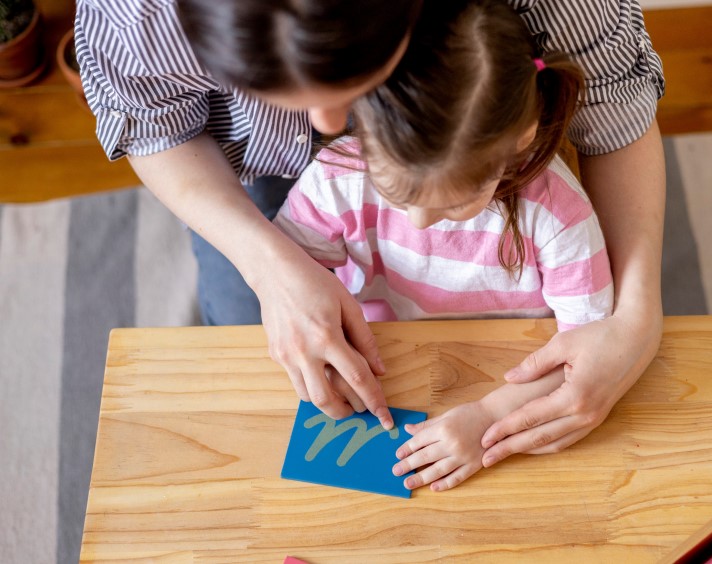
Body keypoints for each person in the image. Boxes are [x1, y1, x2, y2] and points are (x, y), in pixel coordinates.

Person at [75, 0, 665, 459]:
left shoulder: (550, 215)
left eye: (352, 85)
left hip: (442, 151)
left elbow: (619, 116)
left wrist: (638, 318)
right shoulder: (340, 177)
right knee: (248, 340)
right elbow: (153, 127)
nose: (334, 127)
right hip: (273, 182)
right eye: (274, 88)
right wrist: (267, 267)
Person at [273, 0, 613, 490]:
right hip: (388, 367)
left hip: (512, 384)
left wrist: (489, 417)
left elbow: (588, 349)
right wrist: (323, 347)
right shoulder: (335, 177)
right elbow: (291, 283)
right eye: (396, 192)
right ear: (361, 128)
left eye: (455, 203)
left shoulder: (559, 216)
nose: (419, 221)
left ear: (520, 140)